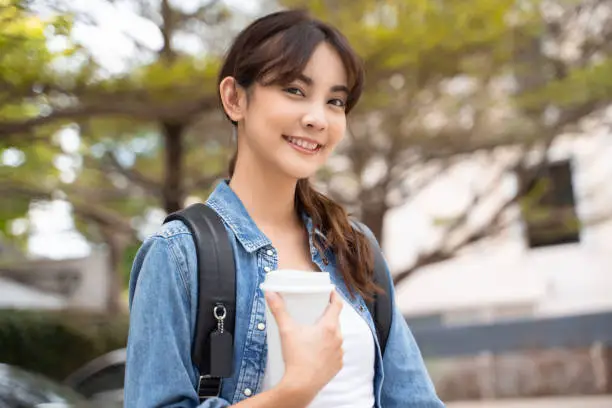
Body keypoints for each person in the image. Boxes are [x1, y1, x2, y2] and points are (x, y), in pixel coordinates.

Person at [124, 9, 444, 408]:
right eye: (295, 90)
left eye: (335, 101)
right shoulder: (177, 254)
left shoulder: (352, 245)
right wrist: (295, 391)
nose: (317, 118)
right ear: (234, 98)